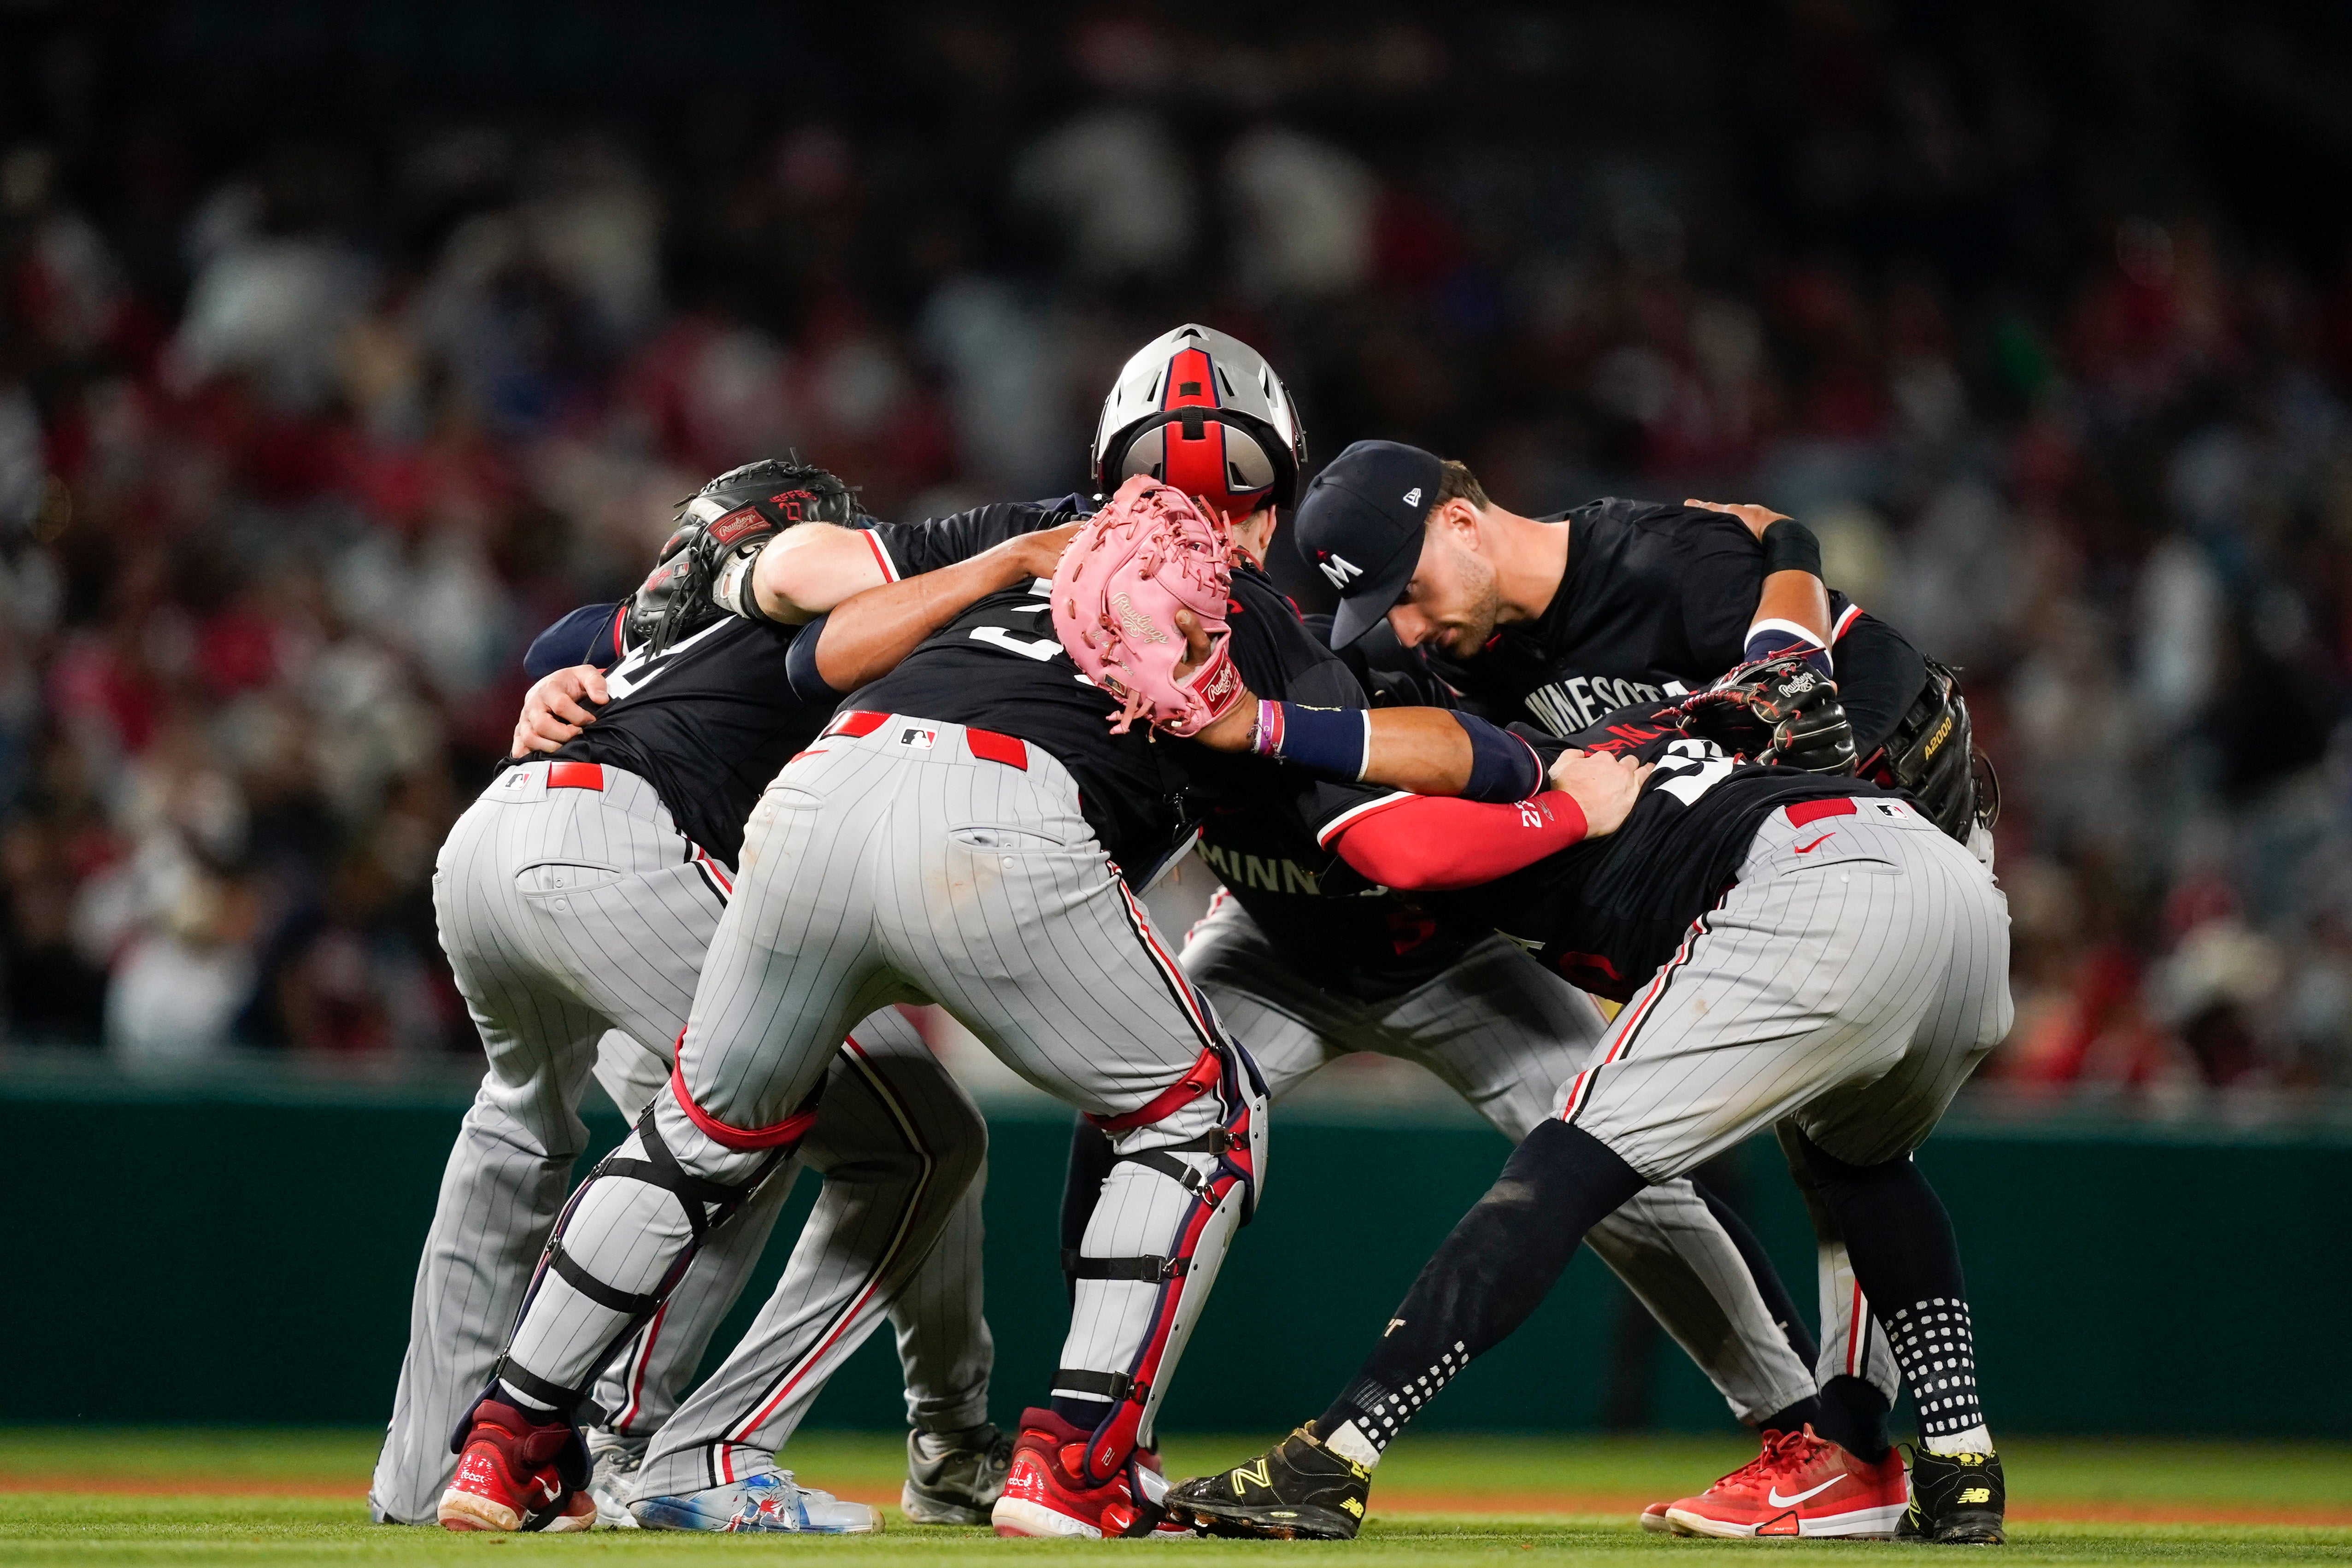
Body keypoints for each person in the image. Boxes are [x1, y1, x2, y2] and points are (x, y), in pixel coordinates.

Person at [378, 458, 1076, 1533]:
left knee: (515, 1134)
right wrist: (1035, 539)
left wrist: (551, 682)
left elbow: (557, 644)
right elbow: (791, 586)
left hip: (493, 844)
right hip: (624, 847)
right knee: (799, 1116)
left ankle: (428, 1471)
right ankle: (631, 1443)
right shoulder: (818, 586)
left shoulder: (667, 627)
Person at [1293, 439, 1997, 1489]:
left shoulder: (1662, 559)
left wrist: (1790, 550)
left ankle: (1847, 1450)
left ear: (1460, 519)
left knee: (1811, 1141)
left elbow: (1811, 710)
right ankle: (1925, 1455)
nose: (1406, 624)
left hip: (1893, 800)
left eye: (1406, 588)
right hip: (1780, 872)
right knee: (1850, 1155)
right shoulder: (1465, 656)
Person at [1168, 690, 2012, 1544]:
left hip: (1810, 888)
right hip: (1954, 888)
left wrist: (1266, 728)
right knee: (1862, 1168)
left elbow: (1417, 839)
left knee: (1563, 1168)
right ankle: (1961, 1467)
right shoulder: (1628, 724)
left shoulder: (1514, 766)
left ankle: (1338, 1451)